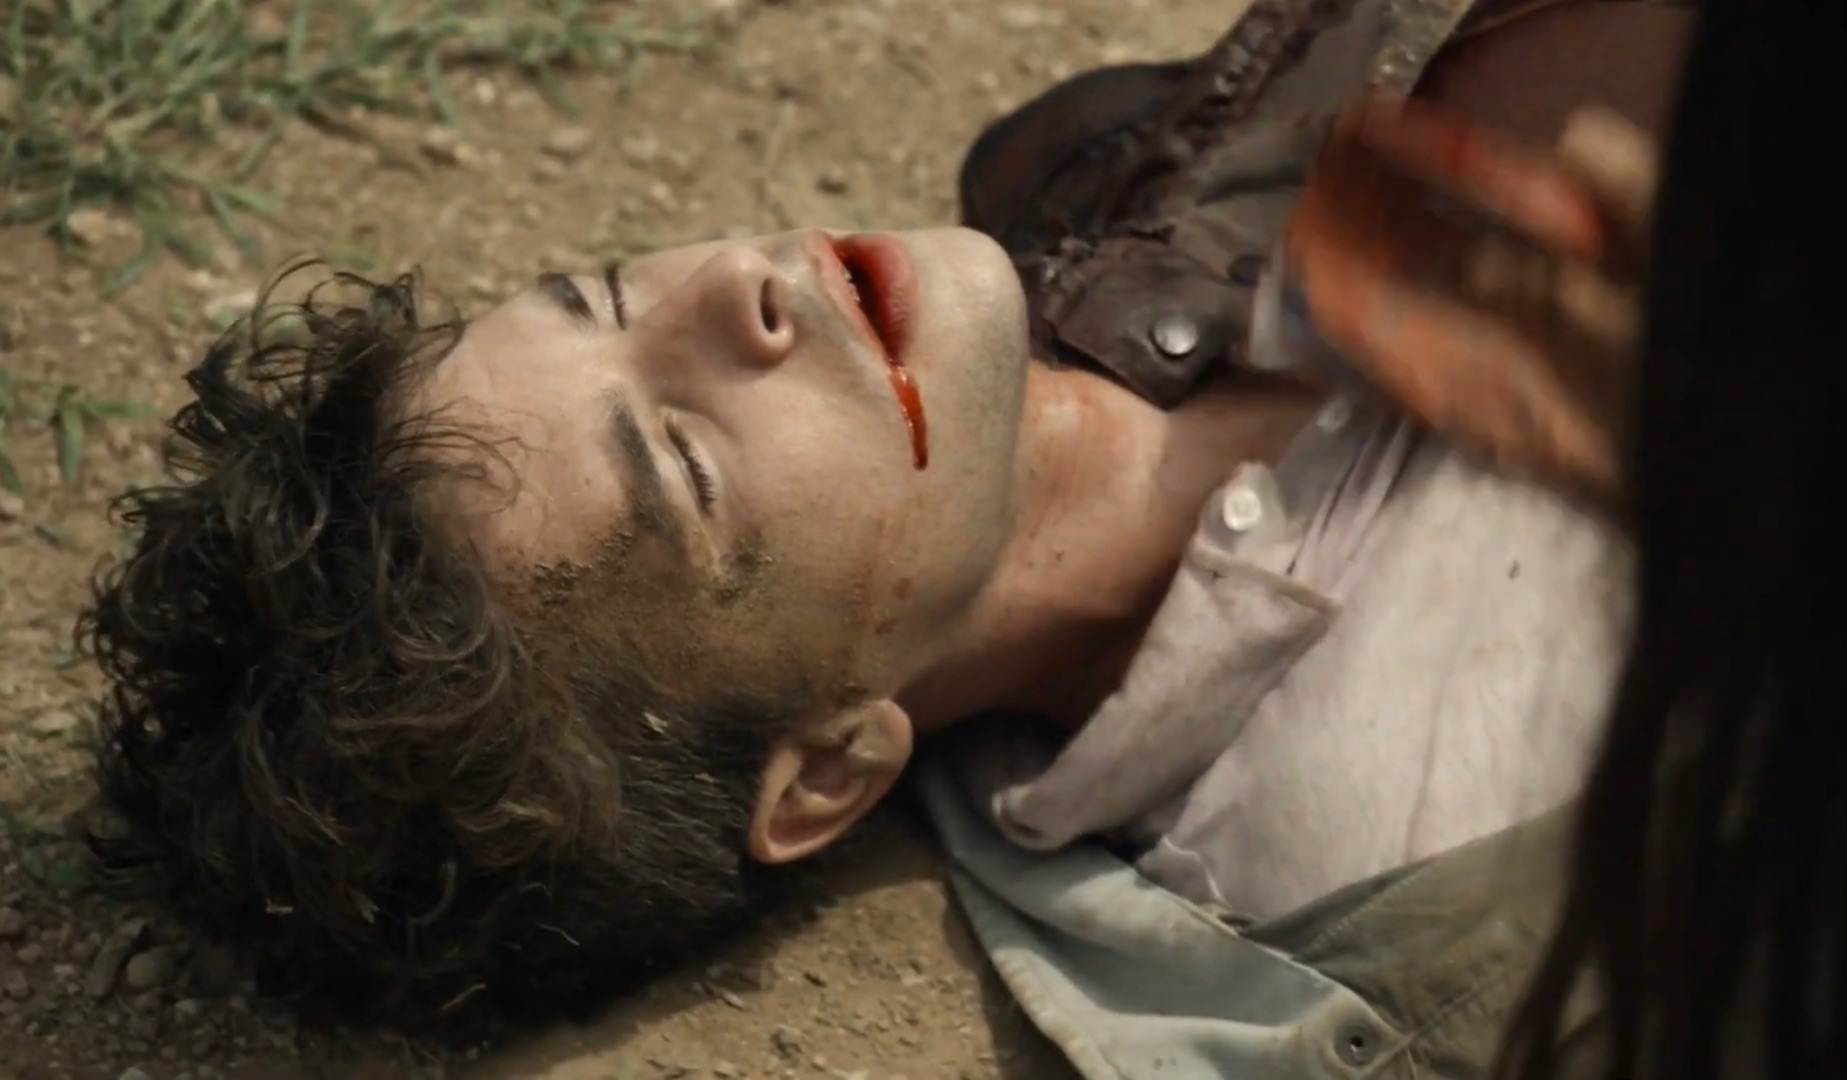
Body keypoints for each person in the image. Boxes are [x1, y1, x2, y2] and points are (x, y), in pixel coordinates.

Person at [79, 0, 1696, 1062]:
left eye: (606, 295)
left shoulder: (1103, 173)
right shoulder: (1434, 844)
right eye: (687, 459)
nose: (740, 286)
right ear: (828, 773)